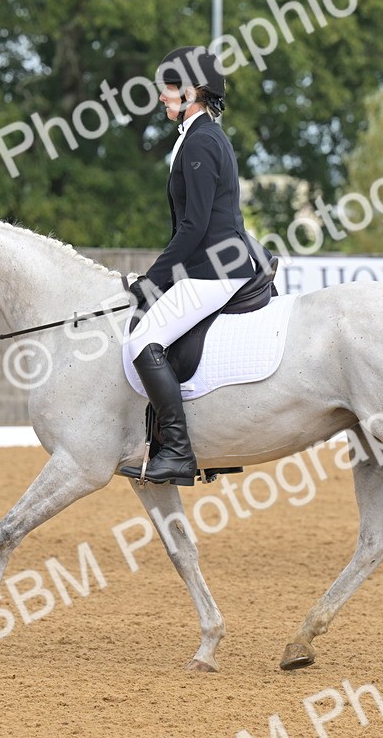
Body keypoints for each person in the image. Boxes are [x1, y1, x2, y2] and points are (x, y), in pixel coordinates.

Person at [119, 46, 258, 486]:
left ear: (195, 91)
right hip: (211, 264)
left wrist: (152, 280)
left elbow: (195, 225)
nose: (162, 95)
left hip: (218, 268)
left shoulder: (201, 141)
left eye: (171, 87)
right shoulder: (198, 137)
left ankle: (178, 451)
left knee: (142, 340)